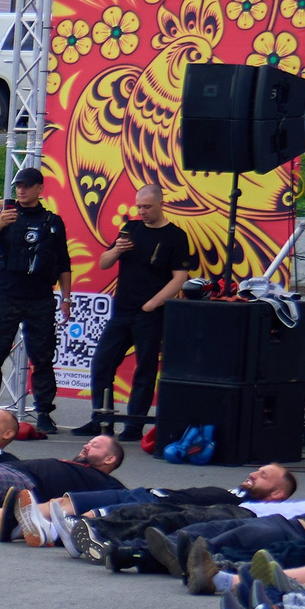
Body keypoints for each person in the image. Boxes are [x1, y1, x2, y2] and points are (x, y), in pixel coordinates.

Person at [85, 183, 194, 439]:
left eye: (147, 207)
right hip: (121, 310)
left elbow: (180, 277)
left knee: (144, 370)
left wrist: (153, 303)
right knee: (102, 364)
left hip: (150, 314)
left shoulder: (175, 236)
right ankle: (102, 419)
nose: (142, 211)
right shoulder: (130, 229)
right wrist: (116, 250)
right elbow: (103, 263)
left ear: (160, 204)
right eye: (139, 207)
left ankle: (133, 425)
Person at [0, 166, 72, 429]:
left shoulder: (52, 221)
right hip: (6, 295)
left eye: (27, 186)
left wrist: (66, 299)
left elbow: (63, 263)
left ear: (40, 189)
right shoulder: (6, 216)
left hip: (40, 297)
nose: (21, 190)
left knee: (42, 357)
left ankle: (43, 413)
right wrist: (1, 223)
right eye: (18, 186)